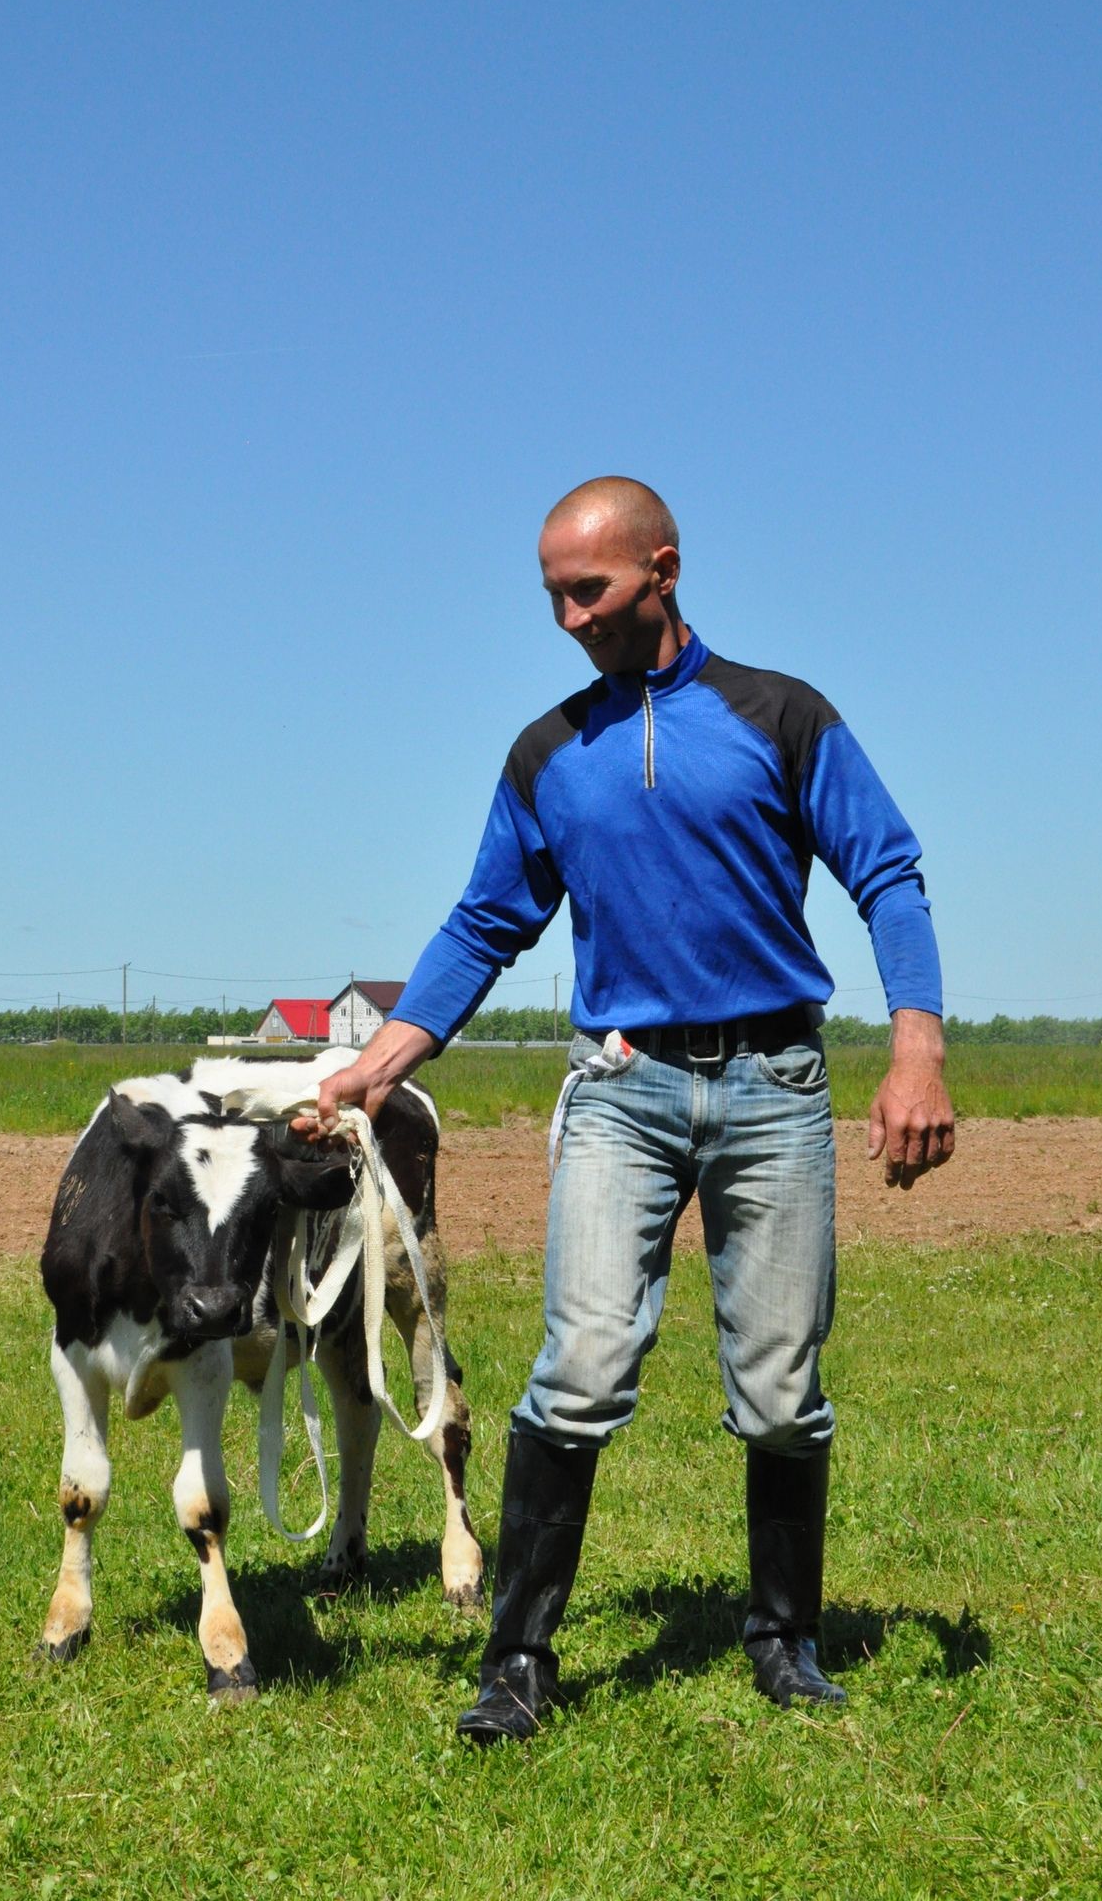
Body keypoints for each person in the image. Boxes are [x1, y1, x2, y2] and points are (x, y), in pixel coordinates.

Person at [297, 477, 954, 1742]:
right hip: (622, 1091)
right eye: (549, 595)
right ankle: (520, 1665)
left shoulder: (779, 715)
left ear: (663, 569)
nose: (566, 616)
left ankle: (784, 1641)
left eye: (586, 589)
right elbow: (490, 917)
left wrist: (915, 1049)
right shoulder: (549, 755)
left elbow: (890, 871)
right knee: (582, 1367)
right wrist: (383, 1060)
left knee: (779, 1391)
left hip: (776, 1086)